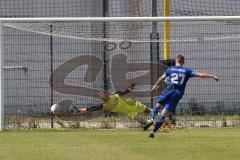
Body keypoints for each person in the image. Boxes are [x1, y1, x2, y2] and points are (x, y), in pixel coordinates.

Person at [145, 55, 219, 138]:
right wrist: (212, 76)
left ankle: (151, 119)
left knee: (158, 106)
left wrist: (155, 86)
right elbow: (200, 75)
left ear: (175, 61)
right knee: (164, 114)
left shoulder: (170, 69)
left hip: (168, 91)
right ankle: (153, 132)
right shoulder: (187, 71)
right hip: (177, 94)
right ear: (183, 62)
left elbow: (161, 78)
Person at [77, 83, 151, 121]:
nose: (101, 97)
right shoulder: (105, 105)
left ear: (106, 94)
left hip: (133, 104)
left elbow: (125, 92)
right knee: (141, 121)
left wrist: (131, 87)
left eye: (102, 95)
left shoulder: (114, 95)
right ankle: (153, 123)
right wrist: (79, 110)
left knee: (147, 111)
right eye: (100, 96)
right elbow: (91, 109)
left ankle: (160, 117)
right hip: (129, 112)